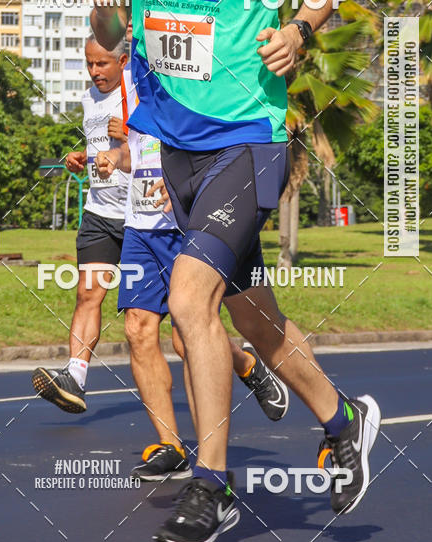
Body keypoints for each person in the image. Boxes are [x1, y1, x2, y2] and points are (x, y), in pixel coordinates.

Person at [90, 0, 381, 542]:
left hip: (247, 144)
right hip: (178, 151)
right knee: (254, 316)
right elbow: (111, 35)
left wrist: (300, 27)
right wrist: (105, 4)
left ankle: (211, 485)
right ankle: (344, 420)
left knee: (191, 300)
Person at [94, 55, 290, 482]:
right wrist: (115, 157)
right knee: (137, 328)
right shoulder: (127, 84)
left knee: (189, 339)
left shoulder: (192, 58)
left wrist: (190, 185)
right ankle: (170, 446)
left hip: (187, 219)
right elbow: (139, 148)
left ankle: (245, 370)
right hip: (142, 223)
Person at [31, 35, 129, 413]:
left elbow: (164, 141)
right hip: (100, 212)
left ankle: (245, 363)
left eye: (102, 64)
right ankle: (75, 377)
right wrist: (81, 156)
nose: (94, 71)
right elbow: (99, 144)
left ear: (123, 61)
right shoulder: (90, 97)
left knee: (184, 319)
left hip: (143, 217)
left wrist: (131, 136)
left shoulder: (141, 88)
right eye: (89, 64)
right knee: (88, 294)